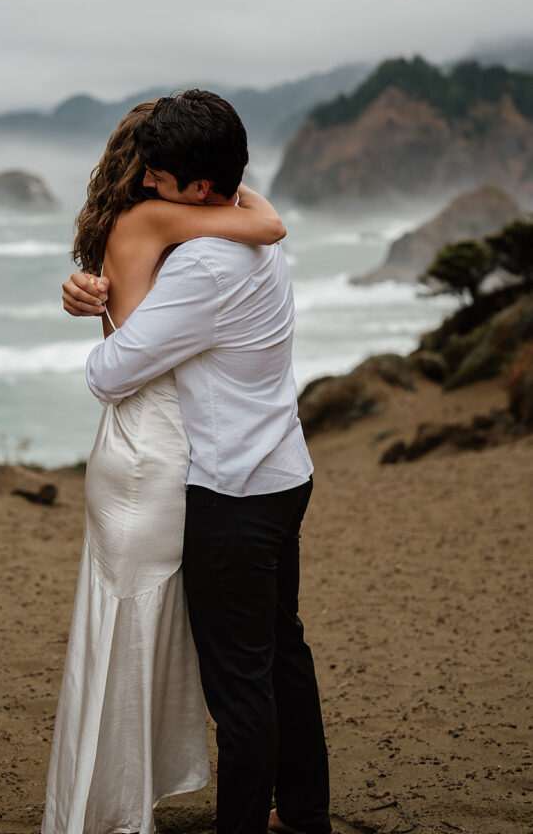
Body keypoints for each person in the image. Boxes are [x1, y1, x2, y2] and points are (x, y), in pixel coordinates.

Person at [65, 90, 331, 834]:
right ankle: (305, 813)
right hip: (283, 469)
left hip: (232, 491)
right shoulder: (257, 238)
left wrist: (105, 310)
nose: (146, 183)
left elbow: (110, 375)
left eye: (160, 176)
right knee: (283, 654)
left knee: (240, 686)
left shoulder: (203, 267)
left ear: (203, 190)